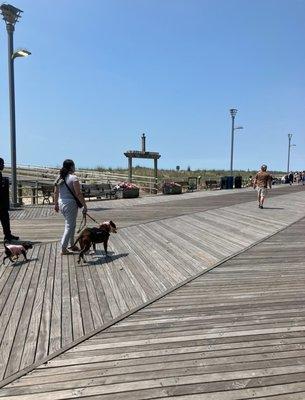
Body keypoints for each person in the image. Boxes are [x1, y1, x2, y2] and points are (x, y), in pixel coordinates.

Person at [54, 159, 87, 255]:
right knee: (69, 226)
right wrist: (85, 206)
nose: (75, 167)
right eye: (74, 166)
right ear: (71, 167)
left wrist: (55, 204)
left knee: (71, 224)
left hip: (61, 203)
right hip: (70, 204)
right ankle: (64, 248)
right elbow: (78, 193)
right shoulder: (74, 178)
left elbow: (56, 192)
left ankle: (72, 244)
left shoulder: (59, 177)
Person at [0, 158, 19, 241]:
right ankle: (7, 235)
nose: (3, 166)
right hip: (1, 203)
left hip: (2, 203)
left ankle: (8, 235)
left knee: (5, 220)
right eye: (2, 164)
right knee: (5, 219)